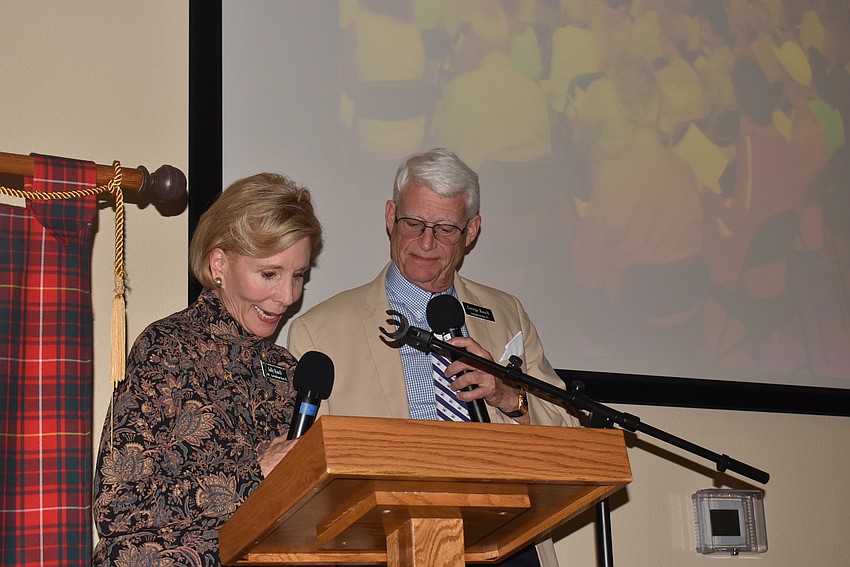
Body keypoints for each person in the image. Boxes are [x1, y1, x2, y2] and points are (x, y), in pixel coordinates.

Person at [288, 147, 579, 567]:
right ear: (390, 216)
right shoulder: (319, 330)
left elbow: (570, 436)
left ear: (471, 231)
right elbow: (306, 479)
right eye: (413, 223)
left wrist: (507, 397)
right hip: (387, 543)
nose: (426, 242)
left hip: (508, 540)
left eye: (445, 229)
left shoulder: (506, 313)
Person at [92, 173, 323, 566]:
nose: (288, 296)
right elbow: (118, 506)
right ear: (219, 262)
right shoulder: (167, 346)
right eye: (269, 274)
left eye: (298, 276)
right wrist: (258, 472)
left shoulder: (290, 372)